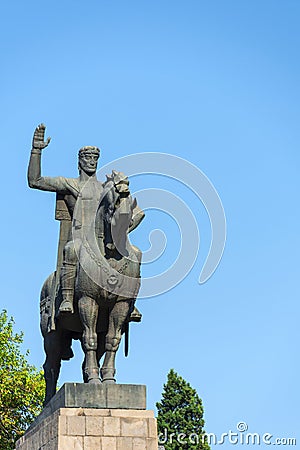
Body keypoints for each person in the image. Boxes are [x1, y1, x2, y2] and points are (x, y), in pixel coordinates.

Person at [28, 124, 144, 316]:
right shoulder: (70, 184)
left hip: (107, 242)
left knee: (135, 255)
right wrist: (36, 150)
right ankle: (66, 298)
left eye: (95, 158)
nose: (91, 162)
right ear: (79, 161)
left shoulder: (107, 187)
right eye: (87, 158)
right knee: (70, 250)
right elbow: (35, 181)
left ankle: (129, 300)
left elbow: (138, 213)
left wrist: (120, 231)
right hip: (82, 240)